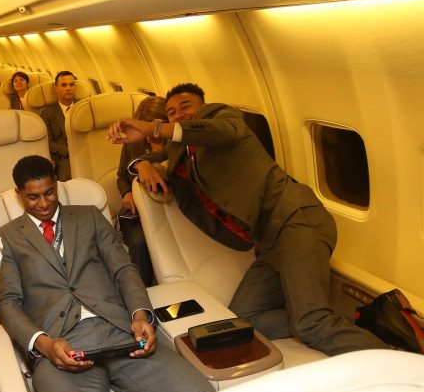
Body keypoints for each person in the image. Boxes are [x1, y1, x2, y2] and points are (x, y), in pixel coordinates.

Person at [108, 83, 390, 356]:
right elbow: (154, 157)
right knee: (243, 318)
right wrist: (142, 163)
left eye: (186, 106)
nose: (178, 114)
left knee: (310, 323)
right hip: (269, 242)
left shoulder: (223, 119)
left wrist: (154, 127)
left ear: (203, 107)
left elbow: (219, 132)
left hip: (296, 221)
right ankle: (357, 318)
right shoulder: (181, 151)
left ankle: (403, 364)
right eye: (171, 112)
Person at [0, 156, 213, 392]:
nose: (43, 203)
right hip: (62, 349)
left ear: (55, 185)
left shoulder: (89, 218)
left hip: (122, 334)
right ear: (19, 194)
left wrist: (141, 315)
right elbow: (7, 303)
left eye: (49, 192)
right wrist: (44, 345)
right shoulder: (7, 238)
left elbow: (124, 269)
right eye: (33, 196)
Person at [115, 97, 167, 286]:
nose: (150, 133)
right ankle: (143, 291)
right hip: (138, 211)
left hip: (169, 209)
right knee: (140, 244)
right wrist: (127, 193)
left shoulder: (176, 144)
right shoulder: (132, 143)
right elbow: (121, 176)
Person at [41, 71, 77, 181]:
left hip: (86, 153)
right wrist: (70, 151)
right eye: (64, 85)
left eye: (71, 85)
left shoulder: (83, 108)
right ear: (56, 88)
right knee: (67, 179)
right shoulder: (47, 113)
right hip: (63, 157)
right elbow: (48, 142)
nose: (68, 88)